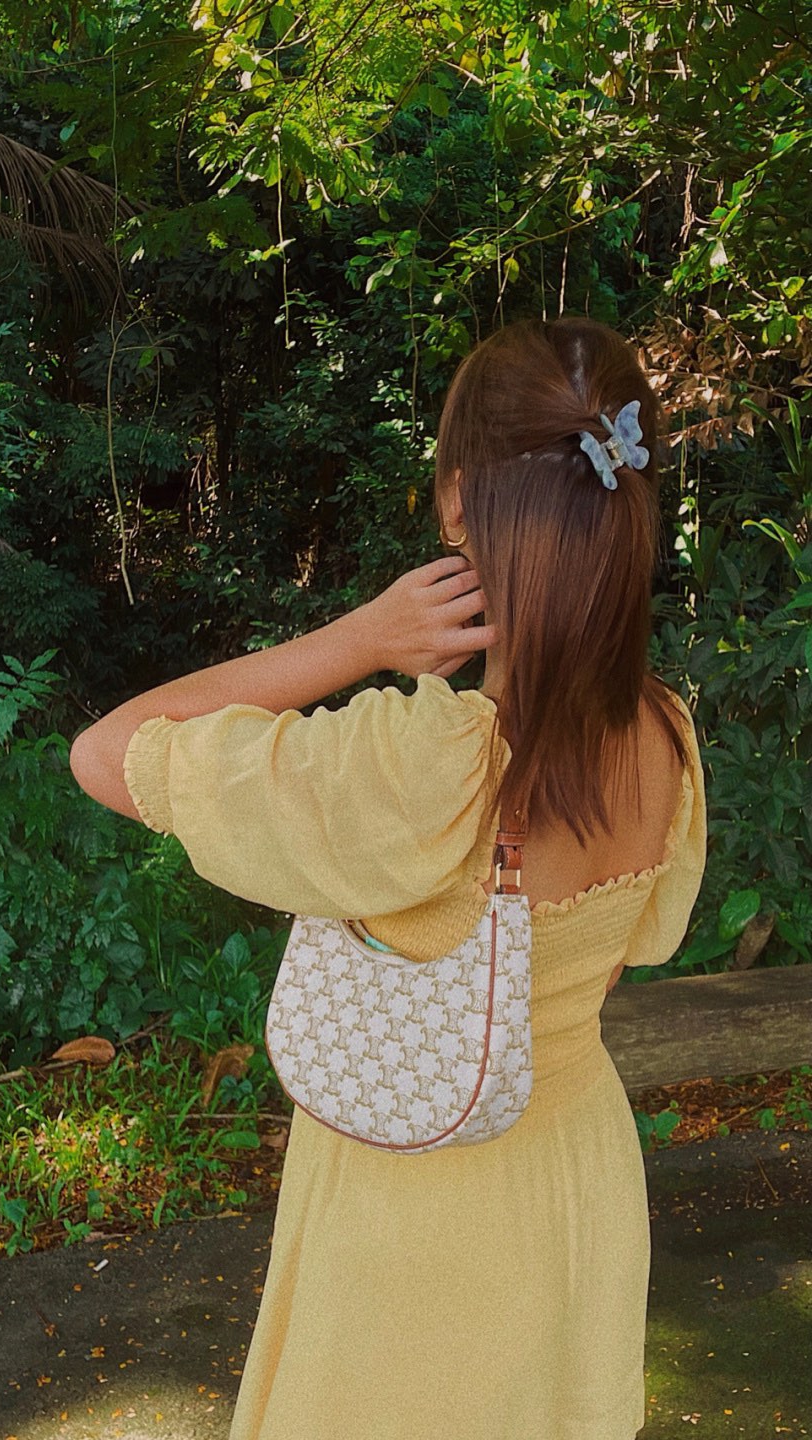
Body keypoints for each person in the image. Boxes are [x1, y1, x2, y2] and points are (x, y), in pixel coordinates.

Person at [69, 315, 707, 1439]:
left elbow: (106, 752)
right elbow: (611, 967)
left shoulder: (424, 766)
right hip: (574, 1184)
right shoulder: (663, 737)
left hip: (416, 1215)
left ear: (459, 503)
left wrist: (358, 640)